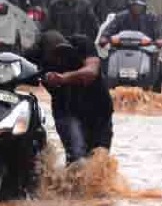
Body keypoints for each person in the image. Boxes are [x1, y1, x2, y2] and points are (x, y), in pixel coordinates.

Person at [25, 31, 113, 165]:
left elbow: (91, 71)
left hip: (99, 110)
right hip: (66, 111)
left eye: (64, 53)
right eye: (56, 55)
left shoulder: (82, 44)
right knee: (78, 160)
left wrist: (63, 78)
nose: (61, 59)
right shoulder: (34, 56)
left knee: (98, 163)